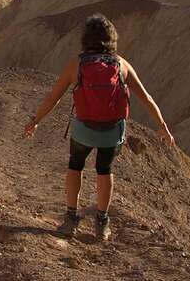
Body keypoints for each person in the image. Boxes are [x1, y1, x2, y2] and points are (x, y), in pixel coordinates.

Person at [23, 14, 175, 241]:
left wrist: (35, 121)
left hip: (84, 129)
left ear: (85, 39)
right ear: (112, 39)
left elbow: (52, 99)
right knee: (105, 170)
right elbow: (147, 98)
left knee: (75, 166)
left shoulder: (76, 65)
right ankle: (102, 222)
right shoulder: (122, 65)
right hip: (112, 131)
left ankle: (71, 218)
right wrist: (162, 126)